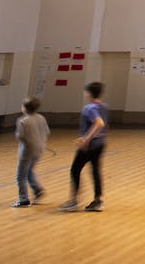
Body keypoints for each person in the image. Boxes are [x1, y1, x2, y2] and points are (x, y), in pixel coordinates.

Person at [60, 81, 108, 212]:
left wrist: (86, 139)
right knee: (95, 171)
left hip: (90, 145)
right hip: (101, 143)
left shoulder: (90, 108)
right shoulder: (103, 106)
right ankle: (97, 200)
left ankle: (73, 201)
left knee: (75, 169)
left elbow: (99, 123)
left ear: (88, 93)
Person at [12, 97, 50, 207]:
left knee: (20, 176)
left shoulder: (23, 121)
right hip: (39, 149)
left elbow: (20, 137)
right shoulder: (41, 118)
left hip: (27, 151)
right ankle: (37, 189)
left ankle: (23, 199)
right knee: (29, 171)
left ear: (24, 108)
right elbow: (47, 132)